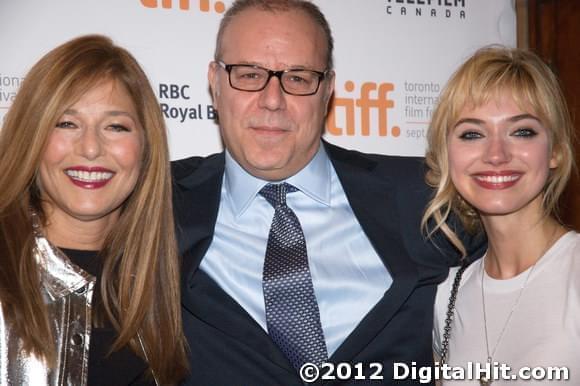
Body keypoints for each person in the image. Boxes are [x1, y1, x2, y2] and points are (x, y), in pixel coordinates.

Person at [172, 1, 483, 384]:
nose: (272, 100)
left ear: (328, 90)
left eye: (299, 78)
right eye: (249, 75)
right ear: (215, 83)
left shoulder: (424, 195)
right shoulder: (160, 202)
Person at [0, 35, 189, 385]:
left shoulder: (170, 287)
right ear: (32, 136)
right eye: (66, 123)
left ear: (145, 148)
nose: (90, 148)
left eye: (115, 126)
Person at [424, 46, 578, 384]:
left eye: (522, 131)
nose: (496, 154)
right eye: (472, 134)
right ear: (447, 154)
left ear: (555, 151)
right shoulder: (445, 298)